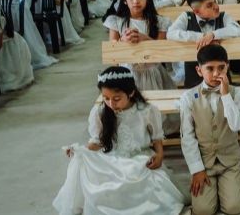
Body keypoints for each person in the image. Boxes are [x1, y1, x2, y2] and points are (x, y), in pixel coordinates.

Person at [52, 67, 185, 215]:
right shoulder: (100, 112)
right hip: (112, 159)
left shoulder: (146, 110)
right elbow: (97, 142)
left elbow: (157, 138)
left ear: (131, 92)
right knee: (102, 185)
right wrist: (81, 151)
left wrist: (159, 156)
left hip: (140, 159)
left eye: (116, 99)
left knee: (145, 185)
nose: (111, 103)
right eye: (106, 98)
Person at [179, 44, 240, 215]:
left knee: (234, 208)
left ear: (227, 67)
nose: (216, 73)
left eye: (221, 68)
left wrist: (225, 96)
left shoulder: (237, 94)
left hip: (229, 162)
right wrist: (197, 170)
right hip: (204, 163)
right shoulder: (188, 97)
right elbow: (187, 137)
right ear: (199, 70)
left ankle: (230, 187)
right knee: (203, 211)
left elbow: (236, 125)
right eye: (210, 68)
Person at [166, 0, 240, 87]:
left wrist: (213, 35)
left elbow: (239, 30)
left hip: (222, 81)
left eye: (215, 1)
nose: (216, 7)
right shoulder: (186, 17)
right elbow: (171, 33)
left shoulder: (223, 16)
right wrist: (201, 37)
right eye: (209, 5)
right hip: (194, 81)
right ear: (197, 11)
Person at [103, 0, 174, 91]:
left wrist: (144, 38)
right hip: (127, 71)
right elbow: (114, 55)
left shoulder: (160, 22)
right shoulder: (116, 21)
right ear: (125, 0)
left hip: (152, 70)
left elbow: (161, 52)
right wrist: (123, 41)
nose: (136, 1)